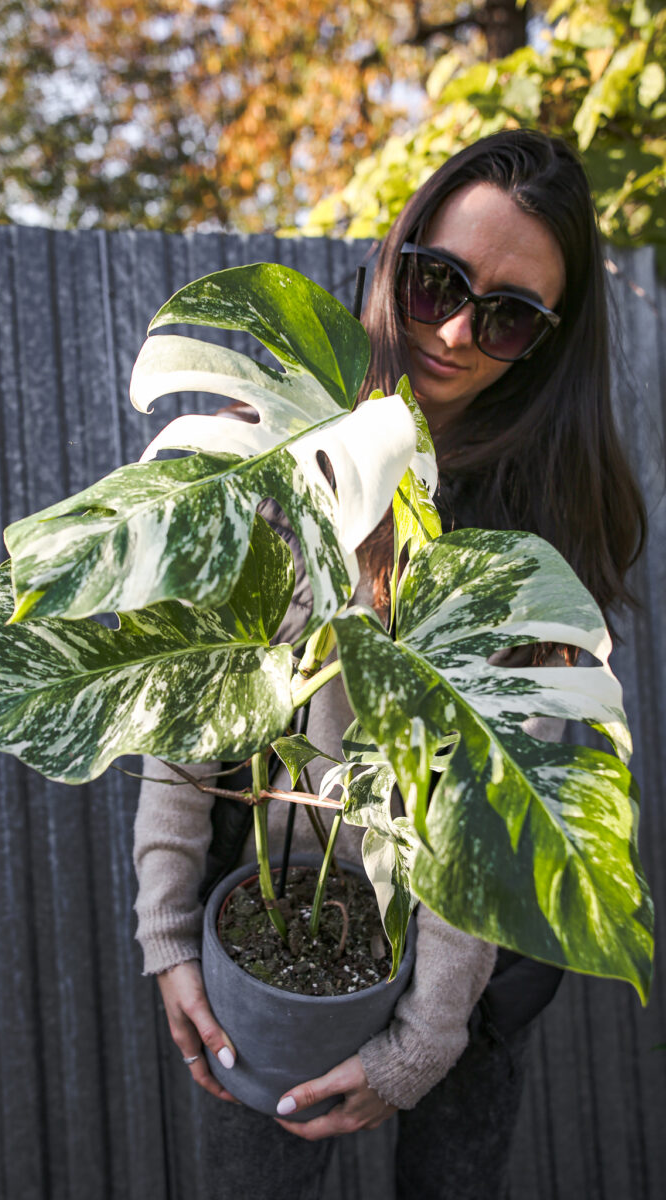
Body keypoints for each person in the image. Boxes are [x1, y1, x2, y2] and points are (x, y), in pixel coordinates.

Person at [132, 130, 646, 1199]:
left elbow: (480, 809)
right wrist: (167, 931)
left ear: (544, 345)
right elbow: (189, 691)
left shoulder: (527, 527)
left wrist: (423, 1042)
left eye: (506, 316)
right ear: (394, 257)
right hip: (274, 914)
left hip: (472, 971)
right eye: (436, 283)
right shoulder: (278, 433)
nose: (455, 331)